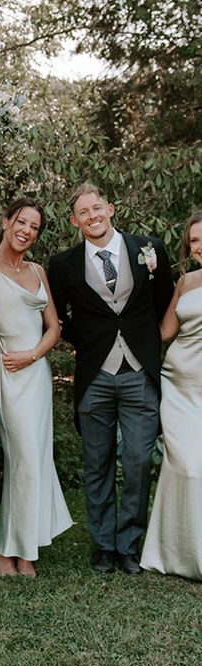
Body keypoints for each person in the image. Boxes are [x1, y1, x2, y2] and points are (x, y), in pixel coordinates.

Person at [48, 183, 174, 574]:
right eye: (83, 212)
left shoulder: (148, 249)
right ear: (74, 221)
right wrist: (87, 341)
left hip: (139, 372)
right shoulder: (63, 264)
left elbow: (165, 301)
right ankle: (103, 546)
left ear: (111, 209)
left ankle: (128, 545)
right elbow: (56, 318)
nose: (92, 216)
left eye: (97, 208)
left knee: (137, 462)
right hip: (94, 375)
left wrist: (146, 342)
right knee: (97, 463)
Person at [0, 142, 72, 578]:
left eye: (34, 227)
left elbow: (55, 328)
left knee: (36, 456)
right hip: (8, 374)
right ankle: (6, 549)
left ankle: (24, 550)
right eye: (21, 222)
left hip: (35, 370)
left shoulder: (37, 273)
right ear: (9, 222)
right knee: (23, 458)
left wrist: (34, 355)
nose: (26, 230)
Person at [141, 211, 202, 580]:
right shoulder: (185, 281)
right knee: (183, 467)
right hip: (178, 385)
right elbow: (163, 332)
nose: (200, 246)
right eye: (194, 240)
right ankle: (177, 553)